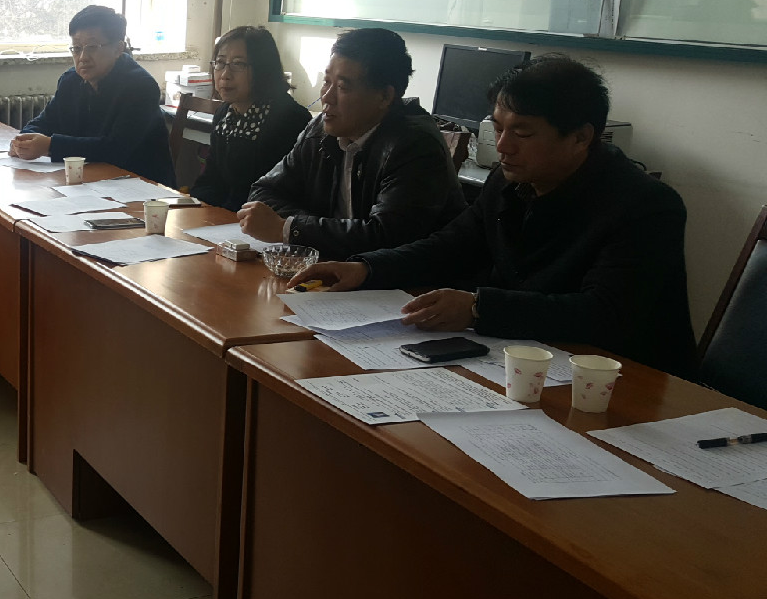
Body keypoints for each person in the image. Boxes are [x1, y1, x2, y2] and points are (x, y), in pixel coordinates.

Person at [288, 56, 697, 376]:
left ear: (580, 137)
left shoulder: (645, 206)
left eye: (522, 133)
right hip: (520, 361)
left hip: (620, 380)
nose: (502, 146)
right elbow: (451, 246)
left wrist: (478, 308)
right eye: (497, 128)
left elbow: (603, 314)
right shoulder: (509, 181)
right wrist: (365, 269)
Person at [239, 27, 464, 260]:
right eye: (327, 81)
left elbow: (387, 237)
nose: (326, 97)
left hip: (407, 278)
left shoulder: (415, 146)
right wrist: (309, 228)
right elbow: (263, 191)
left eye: (342, 87)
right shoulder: (320, 131)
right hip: (331, 265)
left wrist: (290, 229)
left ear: (385, 96)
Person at [12, 5, 175, 187]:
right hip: (89, 182)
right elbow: (46, 121)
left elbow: (116, 148)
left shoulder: (141, 86)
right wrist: (23, 140)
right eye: (76, 48)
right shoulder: (71, 80)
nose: (82, 57)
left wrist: (50, 146)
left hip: (141, 186)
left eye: (92, 47)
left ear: (118, 49)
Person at [189, 26, 311, 211]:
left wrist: (220, 215)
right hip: (224, 219)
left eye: (238, 64)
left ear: (263, 69)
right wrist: (196, 207)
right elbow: (211, 180)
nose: (225, 75)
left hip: (262, 221)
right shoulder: (225, 114)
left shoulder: (289, 119)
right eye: (220, 63)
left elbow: (270, 195)